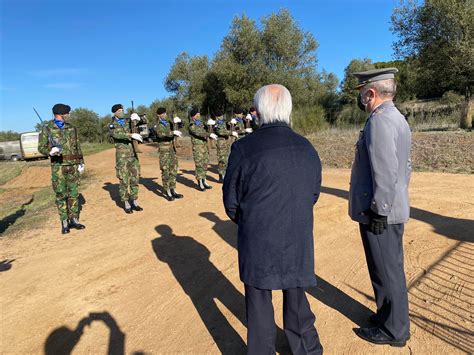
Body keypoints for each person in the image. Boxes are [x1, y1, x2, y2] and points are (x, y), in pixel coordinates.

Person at [223, 84, 323, 354]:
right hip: (297, 234)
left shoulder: (243, 148)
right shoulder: (307, 147)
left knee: (258, 306)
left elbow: (231, 202)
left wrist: (253, 221)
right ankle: (306, 350)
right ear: (288, 109)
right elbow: (313, 192)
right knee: (298, 300)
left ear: (257, 113)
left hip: (258, 237)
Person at [349, 68, 411, 347]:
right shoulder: (396, 117)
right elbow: (404, 169)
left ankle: (394, 330)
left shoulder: (380, 121)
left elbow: (385, 172)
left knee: (386, 270)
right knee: (387, 267)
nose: (361, 97)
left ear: (370, 93)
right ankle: (387, 315)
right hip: (391, 207)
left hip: (382, 212)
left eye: (362, 92)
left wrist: (379, 209)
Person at [38, 103, 86, 234]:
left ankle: (74, 220)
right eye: (67, 113)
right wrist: (50, 151)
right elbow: (40, 148)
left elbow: (77, 145)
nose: (68, 115)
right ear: (61, 114)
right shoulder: (47, 128)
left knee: (74, 193)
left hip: (72, 165)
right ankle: (64, 222)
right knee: (61, 194)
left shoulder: (72, 128)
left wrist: (81, 162)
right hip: (58, 166)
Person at [108, 104, 143, 214]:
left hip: (133, 155)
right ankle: (126, 202)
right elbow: (116, 135)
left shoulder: (129, 121)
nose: (122, 112)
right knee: (124, 180)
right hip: (122, 157)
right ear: (114, 113)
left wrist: (139, 118)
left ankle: (134, 200)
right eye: (119, 110)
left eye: (122, 110)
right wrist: (131, 135)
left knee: (135, 178)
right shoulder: (112, 125)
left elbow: (143, 123)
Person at [154, 107, 184, 201]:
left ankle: (173, 189)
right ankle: (167, 191)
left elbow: (180, 126)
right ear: (158, 115)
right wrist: (172, 132)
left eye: (165, 113)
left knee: (173, 170)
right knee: (166, 171)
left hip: (172, 150)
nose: (164, 115)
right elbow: (161, 134)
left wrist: (179, 122)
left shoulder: (169, 123)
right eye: (162, 114)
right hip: (164, 151)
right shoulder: (157, 125)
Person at [188, 107, 217, 191]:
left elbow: (207, 129)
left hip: (204, 147)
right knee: (199, 165)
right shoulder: (192, 124)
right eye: (197, 114)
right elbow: (198, 133)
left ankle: (204, 181)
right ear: (194, 116)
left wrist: (212, 125)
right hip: (198, 148)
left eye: (199, 114)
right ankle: (199, 183)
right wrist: (209, 134)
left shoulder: (201, 123)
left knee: (205, 164)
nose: (199, 115)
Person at [213, 109, 238, 182]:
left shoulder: (222, 122)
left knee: (226, 159)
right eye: (221, 115)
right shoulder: (217, 123)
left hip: (226, 143)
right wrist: (230, 133)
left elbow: (226, 127)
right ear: (219, 116)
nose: (222, 116)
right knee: (222, 159)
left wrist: (231, 123)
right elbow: (220, 132)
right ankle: (221, 176)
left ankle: (224, 175)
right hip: (221, 143)